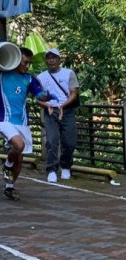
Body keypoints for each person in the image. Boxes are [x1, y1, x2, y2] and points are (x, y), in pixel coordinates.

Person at [0, 44, 53, 200]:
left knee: (19, 157)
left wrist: (48, 97)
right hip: (3, 119)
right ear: (16, 59)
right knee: (19, 145)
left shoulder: (29, 78)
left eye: (29, 63)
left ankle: (10, 187)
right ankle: (7, 166)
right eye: (24, 62)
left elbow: (39, 95)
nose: (27, 66)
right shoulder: (0, 74)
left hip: (22, 122)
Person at [37, 48, 80, 183]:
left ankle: (66, 166)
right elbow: (38, 97)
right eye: (49, 58)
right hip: (50, 111)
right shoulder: (41, 77)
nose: (51, 60)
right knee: (51, 140)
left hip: (66, 110)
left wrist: (64, 105)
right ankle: (51, 169)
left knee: (70, 141)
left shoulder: (69, 73)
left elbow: (74, 92)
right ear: (46, 61)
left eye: (54, 57)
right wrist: (47, 105)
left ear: (59, 59)